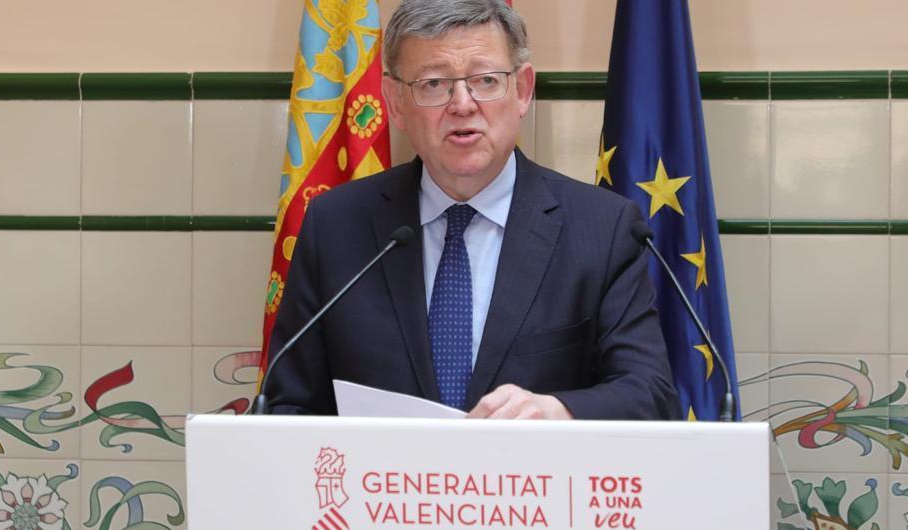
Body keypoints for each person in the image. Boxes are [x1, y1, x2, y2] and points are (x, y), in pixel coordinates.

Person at [267, 0, 679, 421]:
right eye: (432, 84)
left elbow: (649, 395)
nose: (462, 104)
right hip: (380, 485)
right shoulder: (335, 226)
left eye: (485, 80)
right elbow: (287, 405)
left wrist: (558, 411)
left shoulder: (603, 228)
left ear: (522, 90)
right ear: (394, 102)